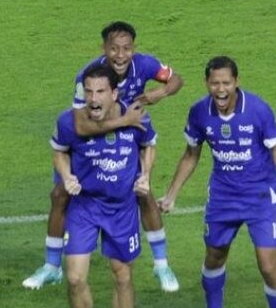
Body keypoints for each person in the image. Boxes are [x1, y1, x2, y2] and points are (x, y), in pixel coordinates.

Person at [158, 56, 276, 308]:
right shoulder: (199, 112)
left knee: (268, 265)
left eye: (226, 83)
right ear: (207, 83)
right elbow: (191, 154)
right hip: (223, 198)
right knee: (214, 256)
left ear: (236, 82)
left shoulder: (258, 109)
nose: (220, 89)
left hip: (259, 198)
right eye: (215, 83)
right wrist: (171, 195)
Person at [23, 21, 184, 292]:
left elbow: (177, 79)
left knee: (143, 193)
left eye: (126, 49)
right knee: (60, 195)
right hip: (90, 139)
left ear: (134, 49)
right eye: (114, 49)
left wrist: (160, 92)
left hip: (125, 139)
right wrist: (125, 120)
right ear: (104, 48)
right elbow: (80, 126)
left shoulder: (145, 65)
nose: (120, 55)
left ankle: (162, 264)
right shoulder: (88, 77)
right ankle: (51, 266)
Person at [55, 64, 151, 308]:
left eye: (100, 92)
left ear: (114, 93)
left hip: (121, 209)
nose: (93, 98)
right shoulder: (69, 121)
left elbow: (148, 146)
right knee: (74, 278)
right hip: (84, 207)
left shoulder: (137, 116)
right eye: (88, 92)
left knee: (122, 276)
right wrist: (67, 175)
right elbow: (60, 151)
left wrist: (146, 175)